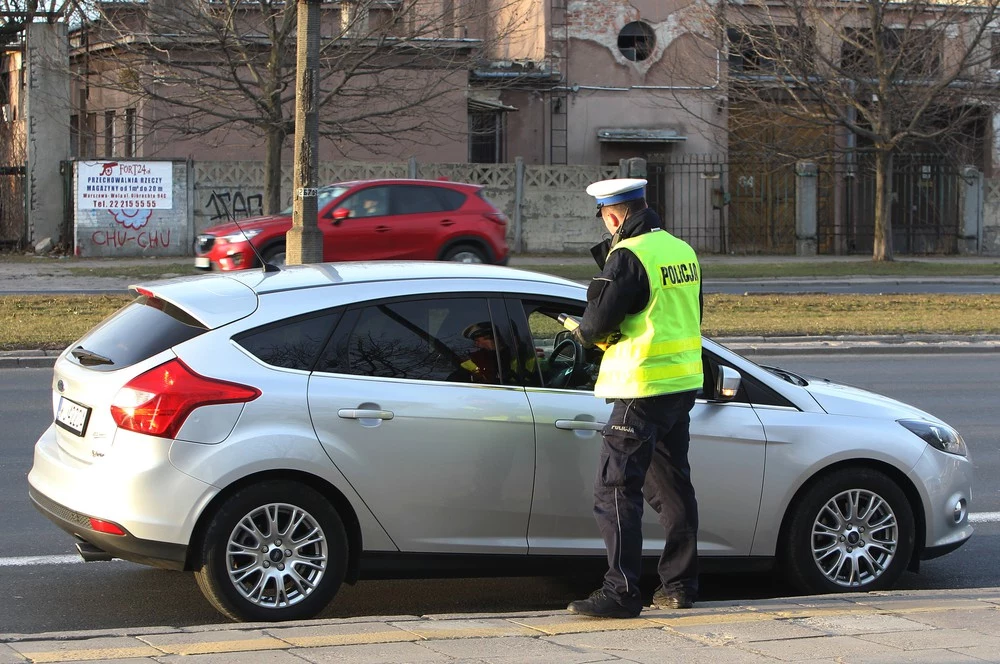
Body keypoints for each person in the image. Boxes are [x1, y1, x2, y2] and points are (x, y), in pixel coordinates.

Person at [565, 177, 704, 619]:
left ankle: (621, 591)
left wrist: (582, 333)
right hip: (679, 386)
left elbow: (595, 326)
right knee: (672, 486)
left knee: (616, 489)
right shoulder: (681, 250)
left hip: (640, 388)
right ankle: (679, 585)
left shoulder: (628, 255)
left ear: (612, 215)